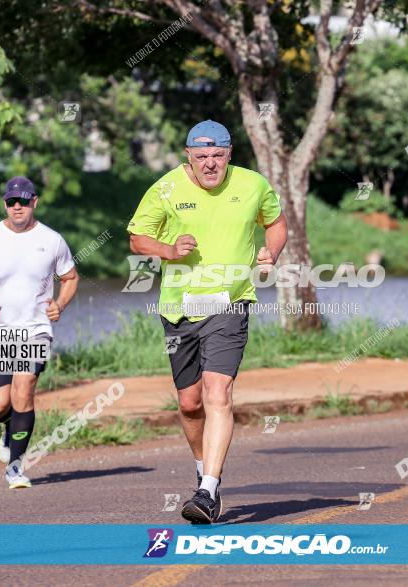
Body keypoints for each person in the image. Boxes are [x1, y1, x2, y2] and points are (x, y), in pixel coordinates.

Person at [127, 120, 287, 523]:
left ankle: (209, 491)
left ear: (230, 154)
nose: (211, 164)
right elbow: (137, 238)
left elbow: (276, 222)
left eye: (218, 155)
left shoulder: (253, 185)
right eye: (202, 157)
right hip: (179, 308)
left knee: (219, 394)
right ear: (188, 156)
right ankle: (204, 468)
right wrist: (169, 249)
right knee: (190, 402)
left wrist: (271, 252)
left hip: (230, 303)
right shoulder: (165, 188)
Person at [0, 176, 78, 489]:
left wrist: (60, 304)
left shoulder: (52, 240)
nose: (17, 207)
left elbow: (70, 277)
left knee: (23, 388)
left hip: (36, 329)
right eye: (12, 202)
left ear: (34, 203)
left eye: (23, 201)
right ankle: (9, 426)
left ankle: (16, 467)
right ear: (4, 204)